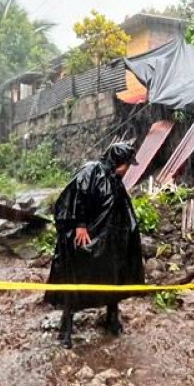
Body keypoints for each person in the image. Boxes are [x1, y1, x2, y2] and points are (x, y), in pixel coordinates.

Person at [45, 142, 145, 348]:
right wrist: (79, 225)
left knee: (113, 277)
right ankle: (66, 329)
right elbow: (74, 196)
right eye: (126, 164)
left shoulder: (115, 180)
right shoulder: (91, 170)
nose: (127, 169)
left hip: (110, 242)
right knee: (77, 278)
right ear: (119, 161)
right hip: (87, 238)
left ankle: (112, 318)